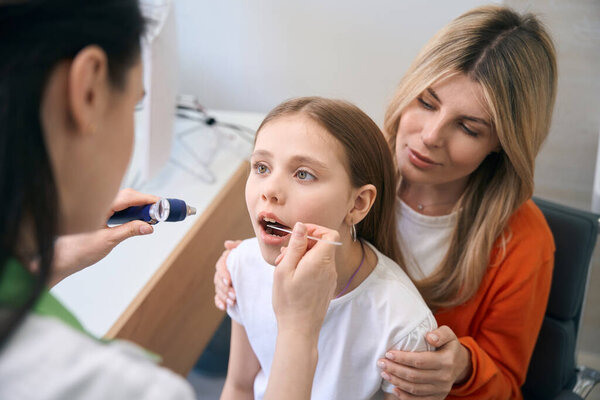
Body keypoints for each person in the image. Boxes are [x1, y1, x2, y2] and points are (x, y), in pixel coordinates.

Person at [0, 1, 339, 399]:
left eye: (303, 174)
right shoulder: (120, 387)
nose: (270, 190)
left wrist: (46, 263)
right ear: (88, 89)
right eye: (135, 104)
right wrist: (298, 334)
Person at [214, 5, 557, 399]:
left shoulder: (524, 242)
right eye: (426, 103)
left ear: (503, 142)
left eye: (467, 127)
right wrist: (246, 263)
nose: (430, 136)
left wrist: (462, 367)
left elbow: (507, 386)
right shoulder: (353, 162)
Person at [220, 97, 436, 400]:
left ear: (358, 204)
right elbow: (240, 387)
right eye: (262, 167)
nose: (269, 190)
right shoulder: (242, 265)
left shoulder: (402, 325)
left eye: (303, 174)